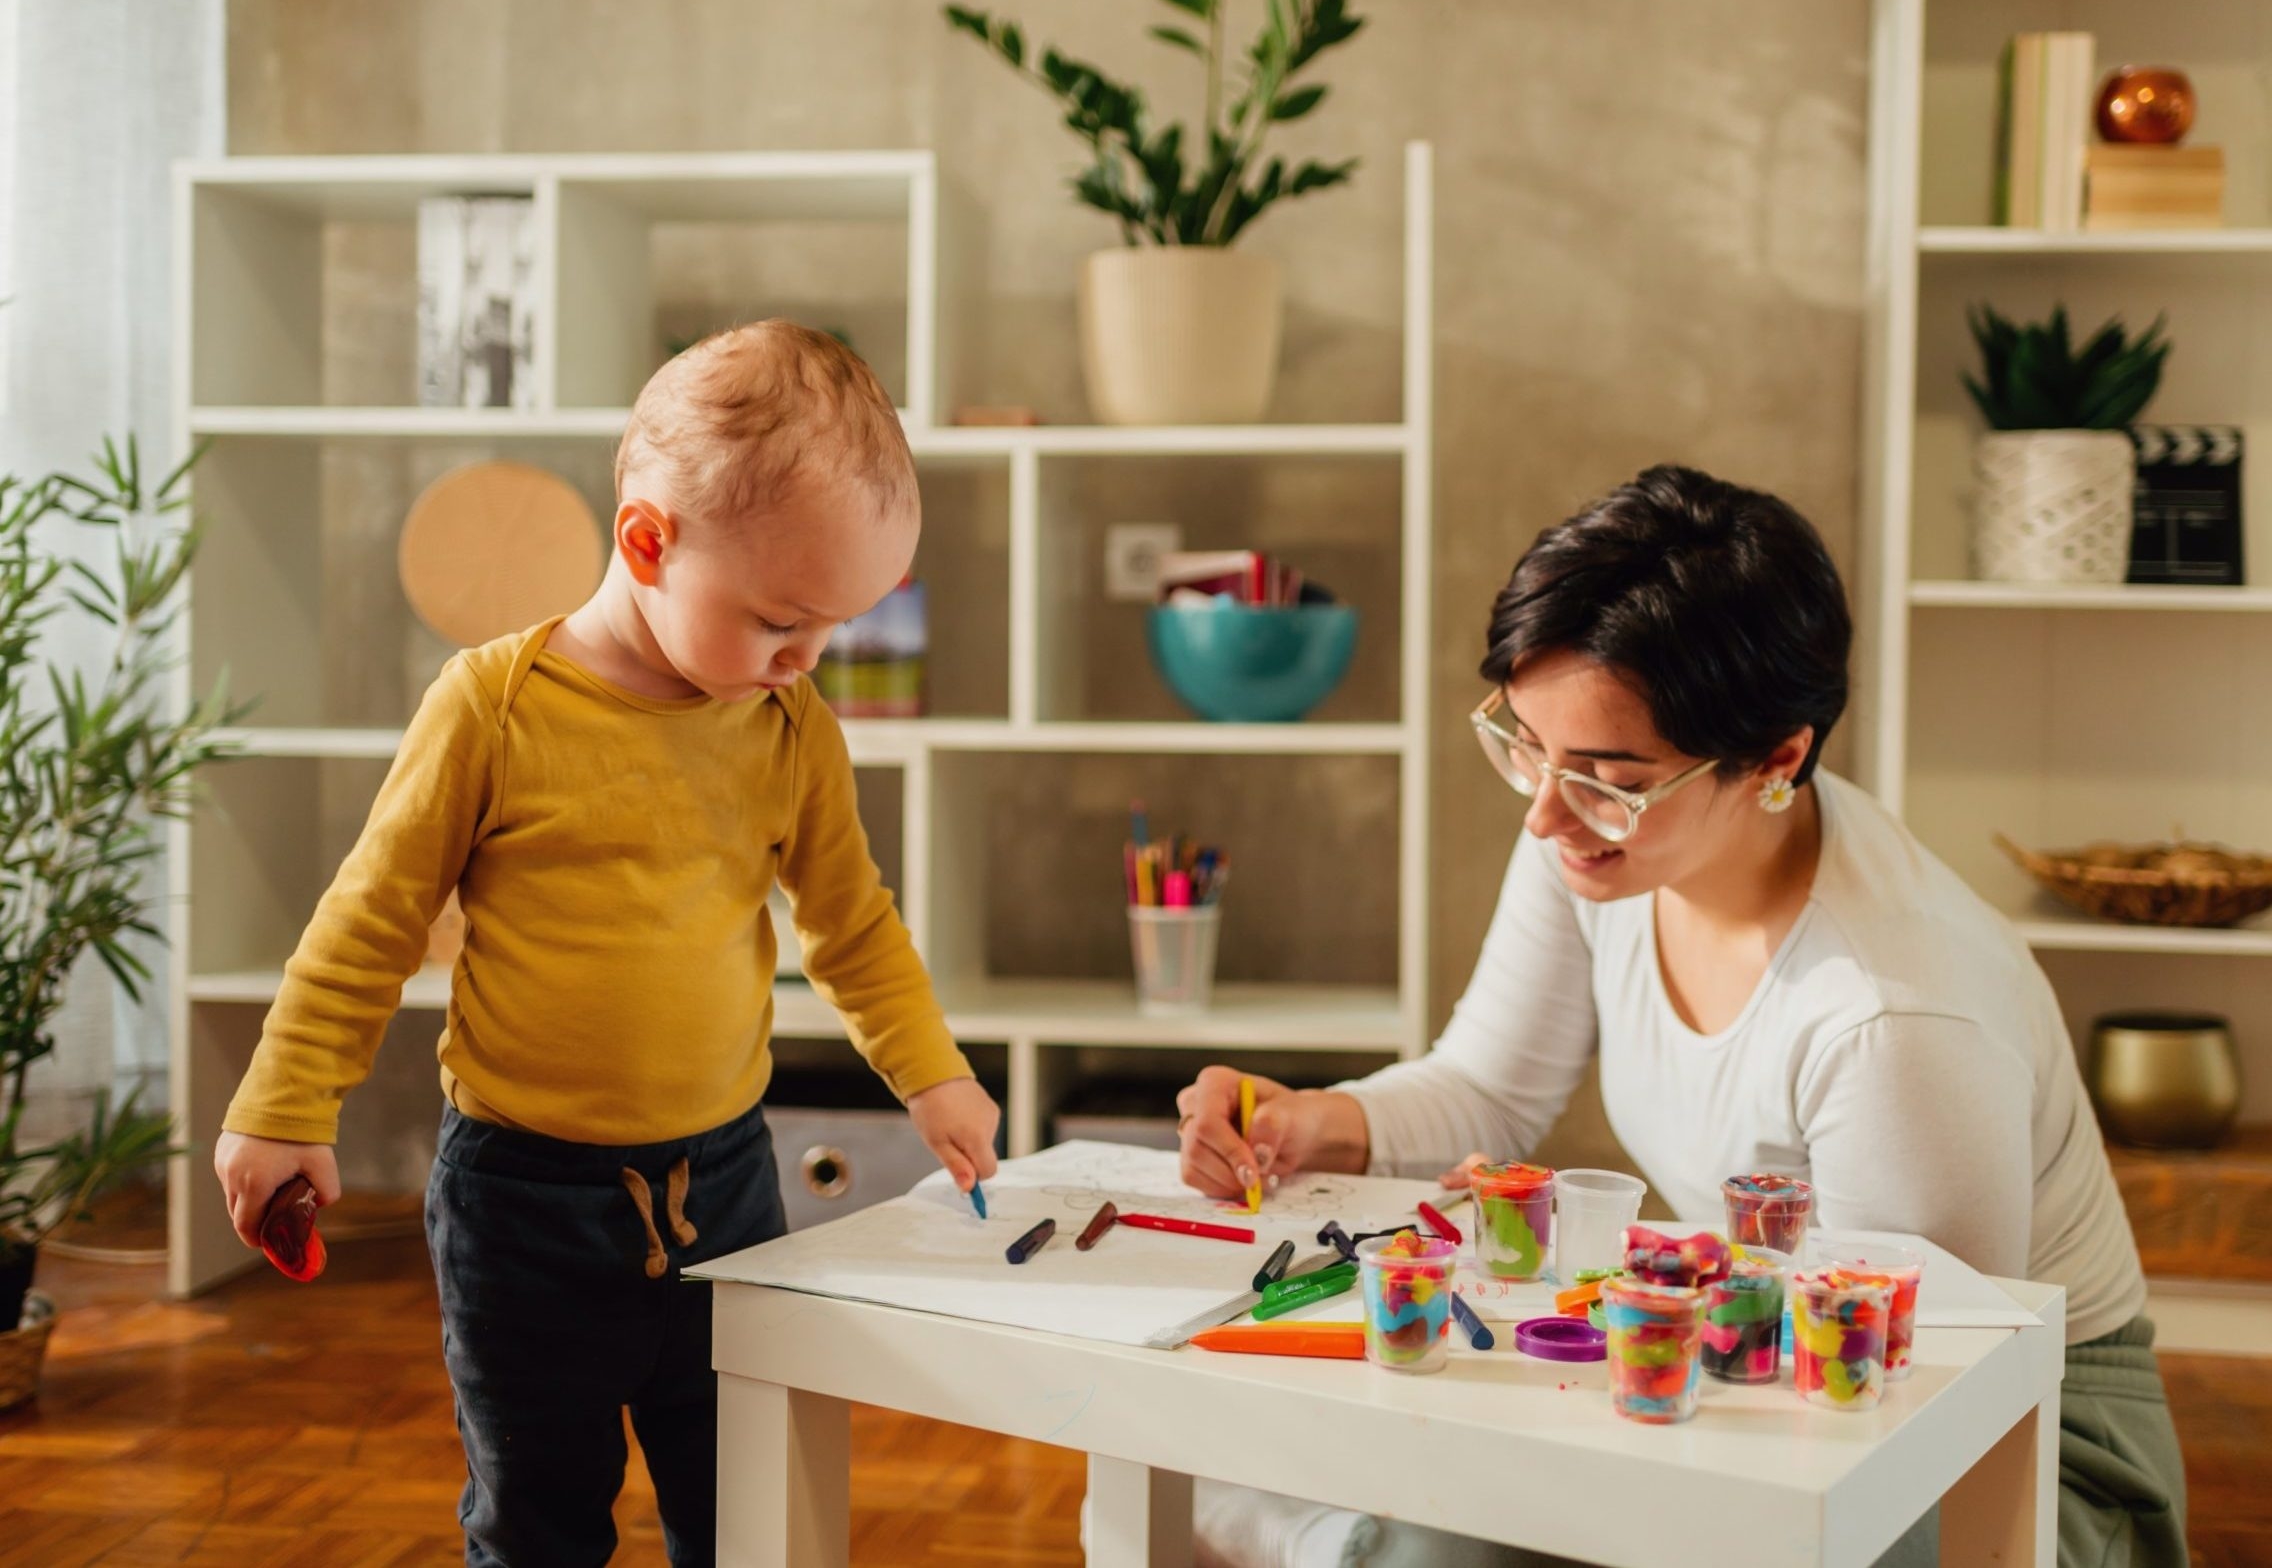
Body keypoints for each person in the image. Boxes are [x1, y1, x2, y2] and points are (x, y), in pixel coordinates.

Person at [1177, 466, 2186, 1568]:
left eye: (1607, 774)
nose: (1545, 814)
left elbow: (1897, 1384)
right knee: (1405, 1511)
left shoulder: (1892, 1018)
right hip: (1766, 1368)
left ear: (1776, 759)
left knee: (1437, 1530)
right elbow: (1487, 1087)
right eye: (1523, 743)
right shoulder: (1598, 842)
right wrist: (1299, 1121)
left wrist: (1575, 1281)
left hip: (2005, 1458)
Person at [214, 321, 1001, 1567]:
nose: (807, 662)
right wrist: (284, 1099)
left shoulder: (787, 726)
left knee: (741, 1512)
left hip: (727, 1186)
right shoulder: (493, 706)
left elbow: (851, 922)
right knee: (540, 1522)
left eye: (835, 631)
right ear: (647, 541)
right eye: (782, 621)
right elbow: (369, 919)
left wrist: (933, 1071)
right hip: (521, 1204)